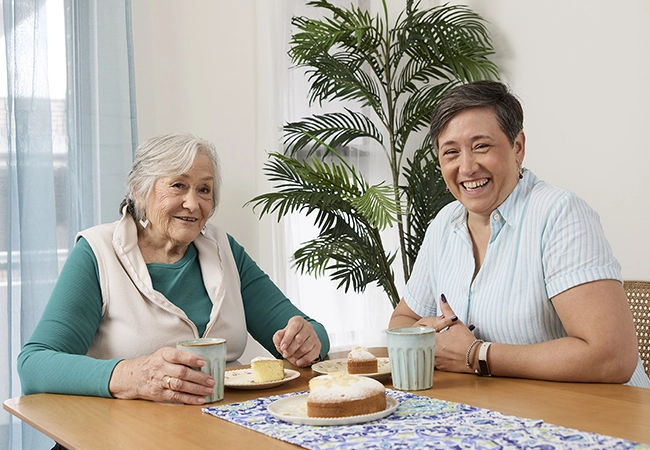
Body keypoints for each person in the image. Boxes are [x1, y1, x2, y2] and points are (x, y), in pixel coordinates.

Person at [18, 133, 331, 405]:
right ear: (140, 191)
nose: (193, 204)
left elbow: (308, 330)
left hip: (221, 427)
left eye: (204, 190)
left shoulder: (224, 249)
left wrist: (307, 343)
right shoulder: (98, 252)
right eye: (178, 186)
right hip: (126, 435)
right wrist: (133, 375)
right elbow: (35, 365)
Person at [389, 81, 650, 387]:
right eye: (451, 153)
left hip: (601, 419)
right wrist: (429, 336)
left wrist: (475, 354)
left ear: (517, 147)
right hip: (503, 414)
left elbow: (611, 358)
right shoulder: (444, 224)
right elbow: (401, 321)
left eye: (481, 146)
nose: (467, 167)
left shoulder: (559, 214)